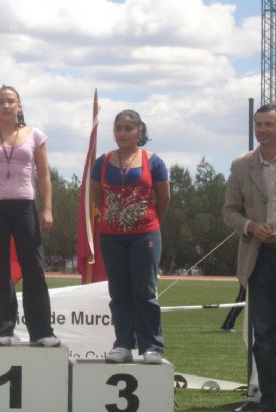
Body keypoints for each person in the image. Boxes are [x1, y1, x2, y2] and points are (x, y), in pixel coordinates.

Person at [0, 85, 60, 347]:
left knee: (34, 268)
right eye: (0, 101)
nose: (6, 105)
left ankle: (42, 331)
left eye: (11, 101)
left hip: (25, 207)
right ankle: (2, 329)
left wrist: (47, 208)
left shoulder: (35, 135)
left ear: (19, 105)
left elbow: (44, 175)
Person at [90, 110, 170, 365]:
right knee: (119, 291)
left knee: (144, 290)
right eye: (118, 128)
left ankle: (152, 346)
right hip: (111, 236)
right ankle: (123, 343)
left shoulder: (153, 161)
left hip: (145, 234)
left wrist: (146, 222)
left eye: (128, 128)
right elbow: (95, 198)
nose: (122, 133)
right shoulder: (102, 162)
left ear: (139, 132)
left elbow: (164, 199)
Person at [223, 104, 276, 412]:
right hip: (258, 258)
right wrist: (249, 226)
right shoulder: (239, 165)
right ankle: (272, 402)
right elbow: (228, 211)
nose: (262, 130)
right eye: (258, 125)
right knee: (263, 335)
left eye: (268, 125)